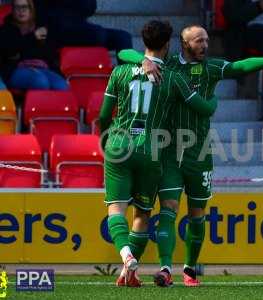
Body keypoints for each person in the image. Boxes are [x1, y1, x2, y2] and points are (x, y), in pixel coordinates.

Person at [119, 25, 263, 287]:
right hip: (168, 152)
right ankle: (165, 268)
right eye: (198, 40)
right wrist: (143, 60)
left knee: (197, 214)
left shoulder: (211, 67)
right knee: (168, 209)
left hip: (199, 154)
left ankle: (189, 269)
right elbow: (123, 53)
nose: (204, 44)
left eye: (207, 40)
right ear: (184, 43)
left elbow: (239, 66)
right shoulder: (166, 66)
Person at [99, 20, 219, 288]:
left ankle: (127, 257)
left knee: (116, 209)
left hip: (119, 145)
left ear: (143, 42)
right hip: (152, 151)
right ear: (168, 45)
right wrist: (213, 101)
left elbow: (104, 114)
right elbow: (203, 107)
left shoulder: (119, 72)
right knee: (143, 213)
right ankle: (137, 269)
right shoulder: (173, 78)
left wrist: (105, 139)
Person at [0, 0, 68, 90]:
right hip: (16, 70)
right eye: (17, 7)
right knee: (40, 82)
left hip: (42, 68)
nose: (21, 11)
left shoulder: (40, 27)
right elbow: (11, 51)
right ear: (12, 10)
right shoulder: (6, 29)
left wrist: (59, 73)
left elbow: (49, 54)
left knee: (62, 86)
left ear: (31, 9)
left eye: (25, 7)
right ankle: (27, 103)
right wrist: (33, 38)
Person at [33, 0, 132, 55]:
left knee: (123, 37)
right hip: (56, 30)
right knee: (98, 34)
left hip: (81, 27)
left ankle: (126, 84)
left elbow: (90, 9)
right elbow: (40, 14)